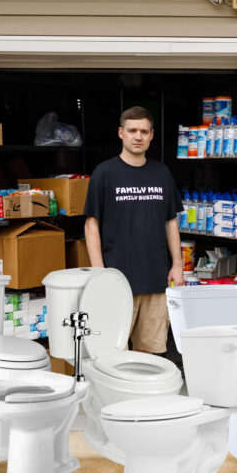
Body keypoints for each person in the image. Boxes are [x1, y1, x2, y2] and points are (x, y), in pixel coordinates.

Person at [84, 106, 185, 357]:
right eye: (132, 131)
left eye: (143, 131)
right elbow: (91, 224)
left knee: (150, 353)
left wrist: (178, 264)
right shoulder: (104, 173)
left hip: (155, 280)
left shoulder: (161, 173)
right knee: (112, 352)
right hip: (117, 280)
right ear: (121, 133)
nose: (137, 136)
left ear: (152, 135)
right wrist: (100, 273)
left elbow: (171, 221)